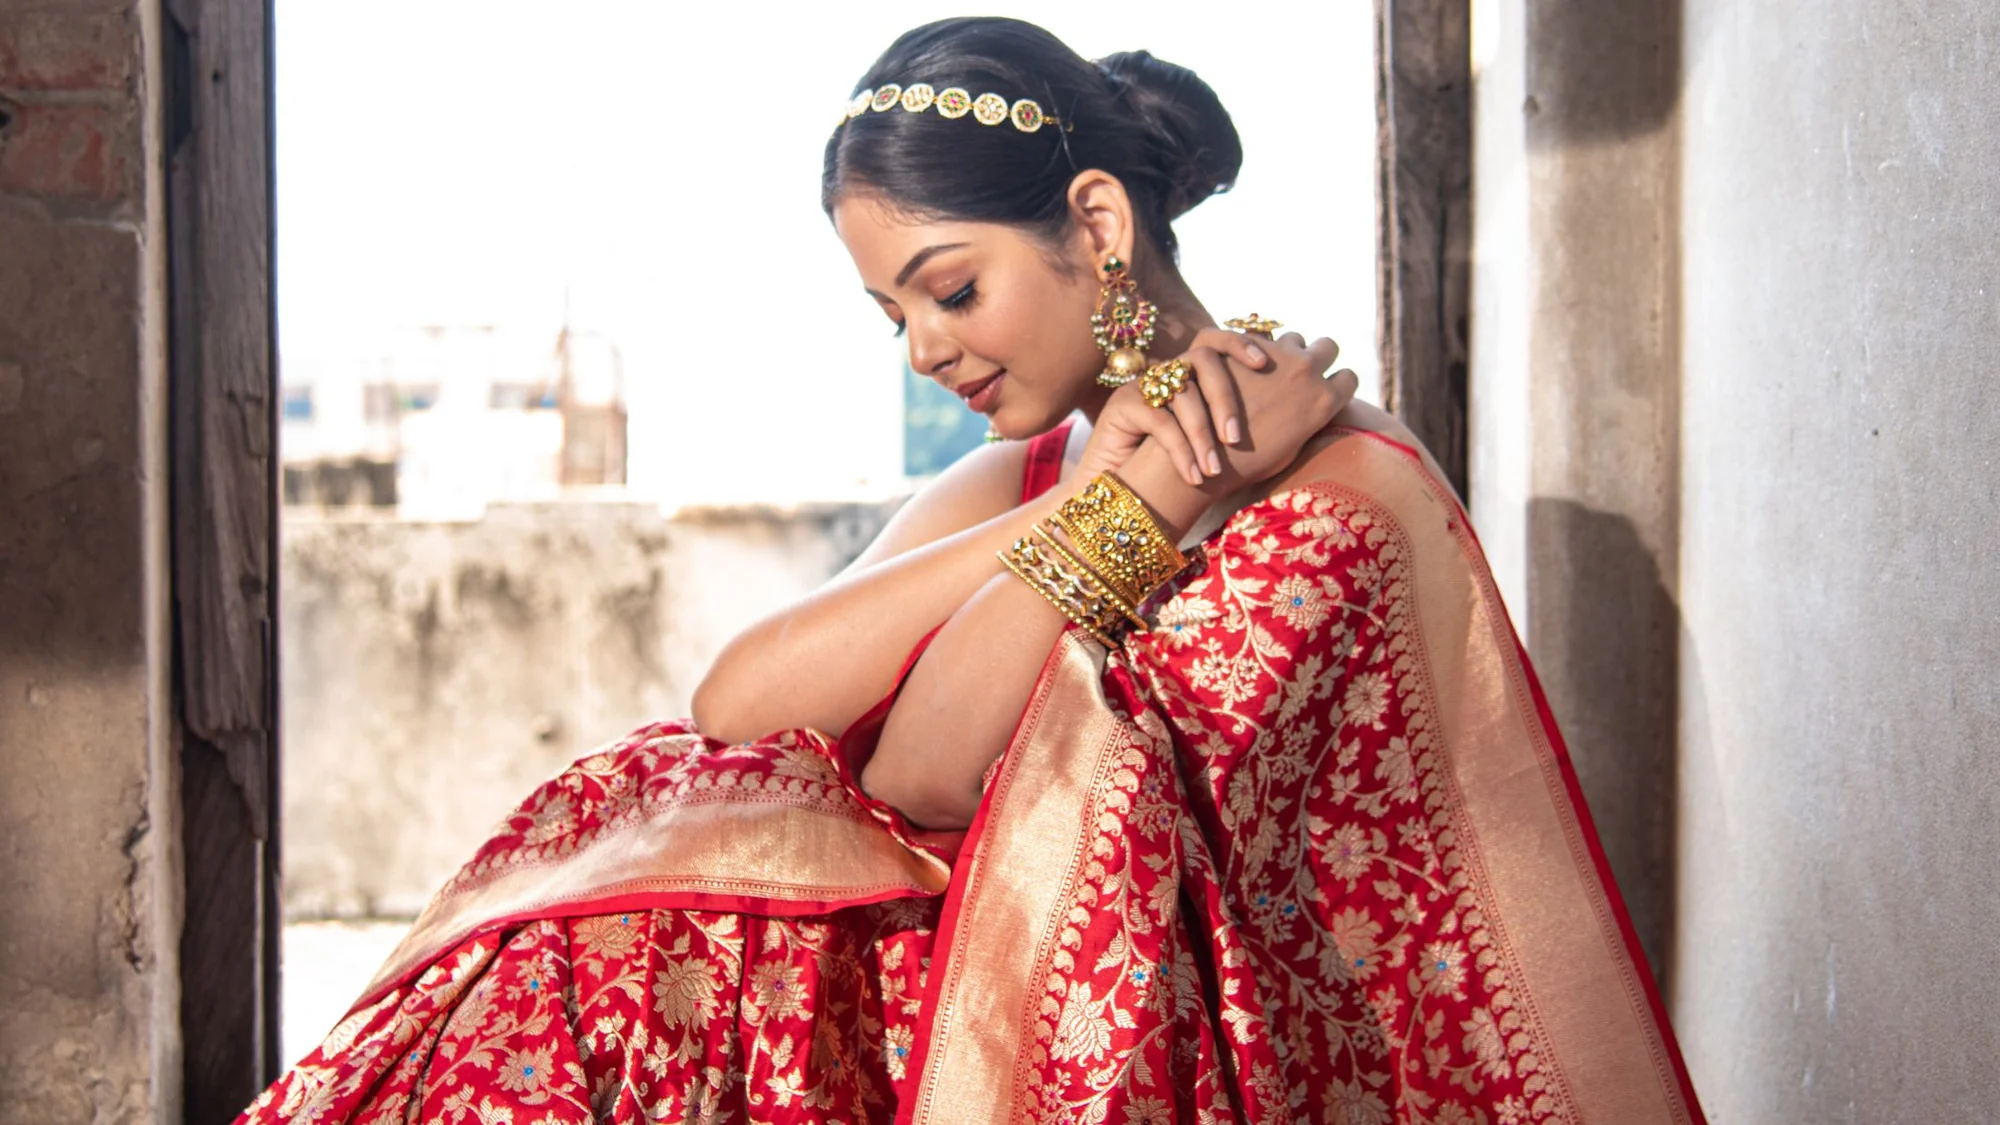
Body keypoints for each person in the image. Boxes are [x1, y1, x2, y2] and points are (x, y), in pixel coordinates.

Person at [244, 16, 1705, 1125]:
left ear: (1098, 224)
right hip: (928, 964)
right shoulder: (1054, 465)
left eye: (949, 289)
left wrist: (1157, 495)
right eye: (893, 317)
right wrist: (1115, 487)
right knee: (612, 866)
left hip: (1074, 1041)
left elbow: (938, 772)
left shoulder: (1328, 495)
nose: (927, 349)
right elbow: (739, 700)